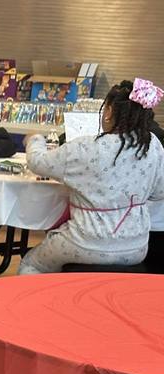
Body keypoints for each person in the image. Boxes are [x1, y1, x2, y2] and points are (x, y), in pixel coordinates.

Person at [19, 79, 164, 274]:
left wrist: (35, 139)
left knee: (32, 264)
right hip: (136, 246)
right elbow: (158, 192)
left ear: (109, 111)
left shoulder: (85, 147)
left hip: (85, 243)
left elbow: (38, 163)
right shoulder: (152, 145)